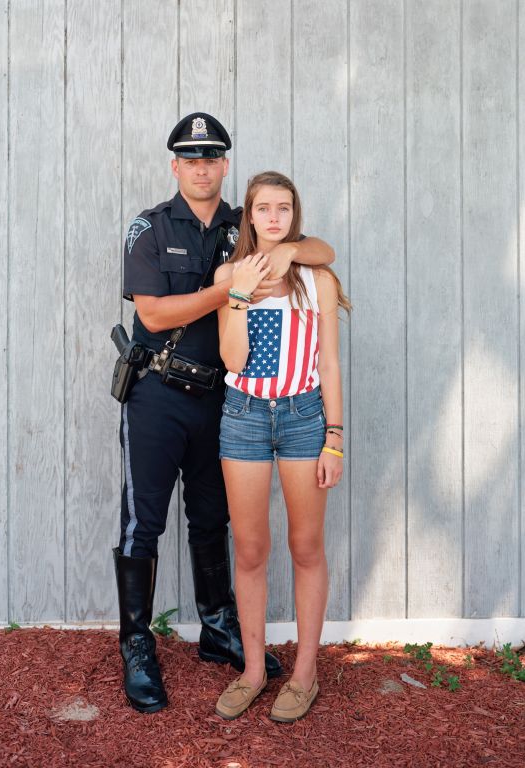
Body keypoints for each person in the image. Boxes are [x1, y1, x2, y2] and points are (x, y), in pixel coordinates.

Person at [113, 114, 335, 714]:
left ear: (226, 165)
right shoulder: (151, 227)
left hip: (224, 399)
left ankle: (219, 630)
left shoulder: (245, 223)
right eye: (191, 158)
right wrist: (230, 286)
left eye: (213, 157)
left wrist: (287, 251)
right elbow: (155, 315)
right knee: (144, 522)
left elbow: (319, 250)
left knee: (214, 520)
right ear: (175, 165)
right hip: (158, 393)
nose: (203, 166)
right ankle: (137, 644)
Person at [213, 171, 350, 723]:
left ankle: (305, 673)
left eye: (284, 208)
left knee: (305, 545)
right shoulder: (230, 274)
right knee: (249, 549)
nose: (273, 217)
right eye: (263, 208)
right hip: (243, 416)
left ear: (295, 216)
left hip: (302, 417)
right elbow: (233, 361)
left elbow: (328, 362)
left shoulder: (317, 277)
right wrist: (240, 297)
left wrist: (334, 439)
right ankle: (252, 670)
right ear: (248, 215)